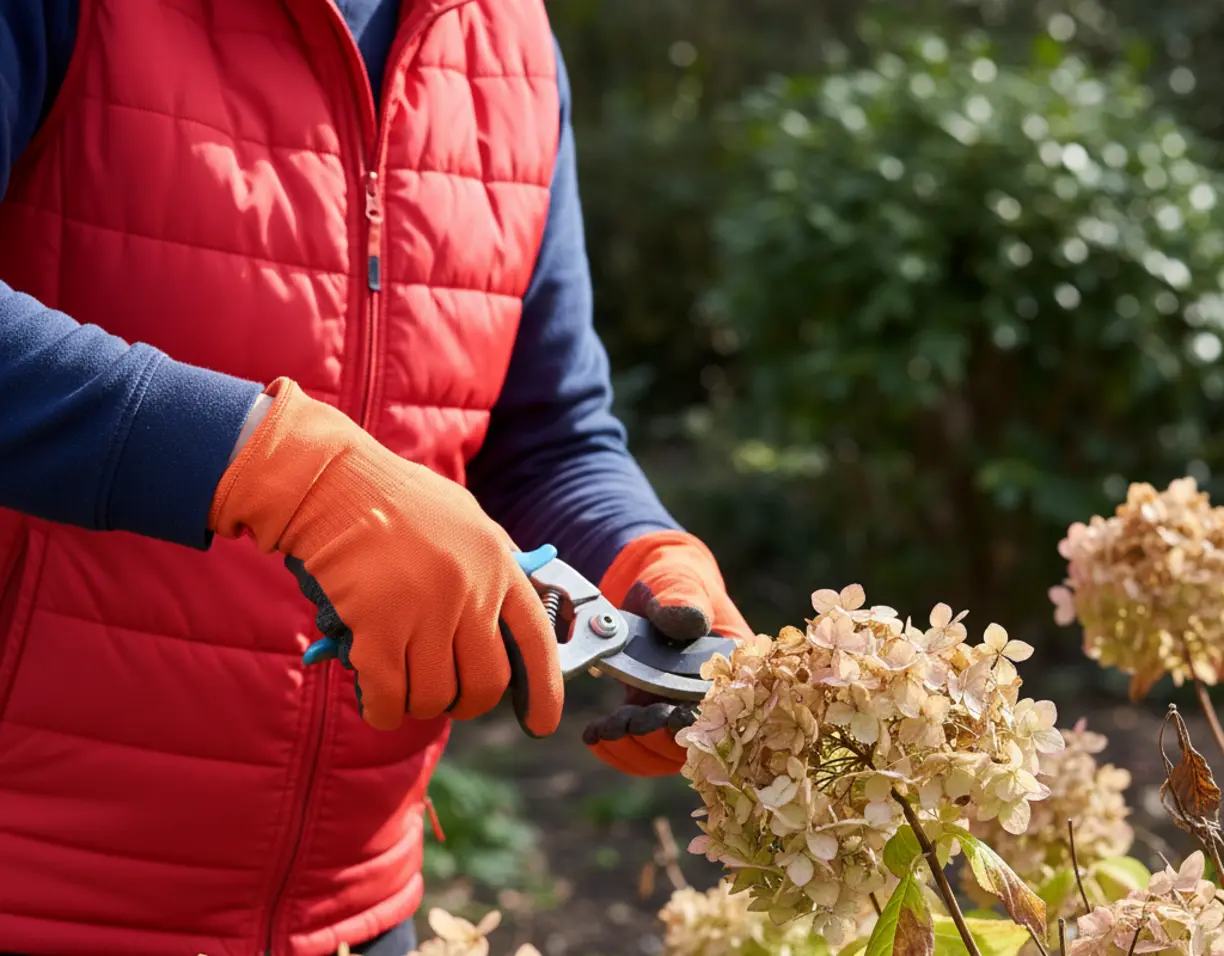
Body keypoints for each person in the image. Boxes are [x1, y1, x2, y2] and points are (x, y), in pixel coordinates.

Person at [0, 1, 752, 954]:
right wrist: (281, 468)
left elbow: (546, 431)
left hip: (355, 912)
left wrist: (643, 562)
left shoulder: (506, 38)